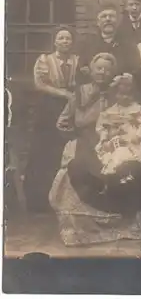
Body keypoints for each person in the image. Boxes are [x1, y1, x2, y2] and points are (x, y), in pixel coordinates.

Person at [49, 53, 141, 246]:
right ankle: (80, 229)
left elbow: (133, 117)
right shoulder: (80, 93)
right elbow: (62, 122)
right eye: (99, 68)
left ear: (113, 73)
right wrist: (75, 137)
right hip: (84, 141)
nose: (103, 72)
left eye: (108, 69)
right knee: (76, 169)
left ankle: (119, 224)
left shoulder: (120, 92)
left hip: (112, 143)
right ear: (91, 71)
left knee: (121, 171)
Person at [24, 25, 79, 213]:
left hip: (70, 108)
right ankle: (38, 203)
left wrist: (72, 98)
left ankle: (62, 201)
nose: (65, 41)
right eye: (61, 38)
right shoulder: (45, 60)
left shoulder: (77, 61)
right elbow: (40, 84)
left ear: (72, 42)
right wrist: (64, 93)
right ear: (55, 41)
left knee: (63, 152)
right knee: (43, 152)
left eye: (68, 38)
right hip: (48, 108)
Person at [95, 73, 141, 182]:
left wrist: (138, 136)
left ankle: (126, 173)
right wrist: (104, 138)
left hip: (132, 139)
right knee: (111, 154)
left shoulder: (139, 110)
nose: (125, 97)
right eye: (121, 94)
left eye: (129, 94)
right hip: (114, 137)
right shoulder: (110, 111)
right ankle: (112, 175)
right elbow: (102, 126)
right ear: (115, 94)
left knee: (125, 154)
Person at [77, 3, 141, 82]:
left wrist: (125, 78)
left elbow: (136, 71)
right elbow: (81, 72)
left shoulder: (129, 45)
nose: (108, 19)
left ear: (118, 21)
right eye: (104, 16)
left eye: (112, 16)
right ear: (98, 22)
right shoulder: (88, 45)